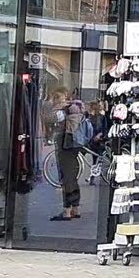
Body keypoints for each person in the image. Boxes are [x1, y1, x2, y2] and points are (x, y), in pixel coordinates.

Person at [48, 88, 85, 221]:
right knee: (73, 177)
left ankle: (67, 210)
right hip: (75, 145)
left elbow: (50, 119)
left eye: (54, 99)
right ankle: (75, 207)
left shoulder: (63, 110)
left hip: (65, 145)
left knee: (66, 178)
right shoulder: (76, 108)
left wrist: (55, 108)